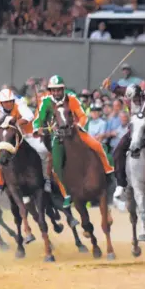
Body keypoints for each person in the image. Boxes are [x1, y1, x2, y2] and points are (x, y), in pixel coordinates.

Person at [33, 75, 114, 205]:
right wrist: (38, 128)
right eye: (53, 90)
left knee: (97, 146)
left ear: (63, 89)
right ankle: (66, 194)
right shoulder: (46, 102)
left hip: (75, 131)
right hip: (58, 136)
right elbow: (38, 120)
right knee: (56, 167)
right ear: (50, 90)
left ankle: (108, 171)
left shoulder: (72, 99)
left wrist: (78, 126)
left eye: (58, 90)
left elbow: (82, 116)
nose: (56, 93)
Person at [0, 88, 52, 201]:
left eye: (10, 101)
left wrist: (16, 123)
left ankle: (46, 179)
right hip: (6, 138)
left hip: (26, 135)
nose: (8, 104)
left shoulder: (20, 105)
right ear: (1, 103)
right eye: (5, 102)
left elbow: (29, 116)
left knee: (43, 150)